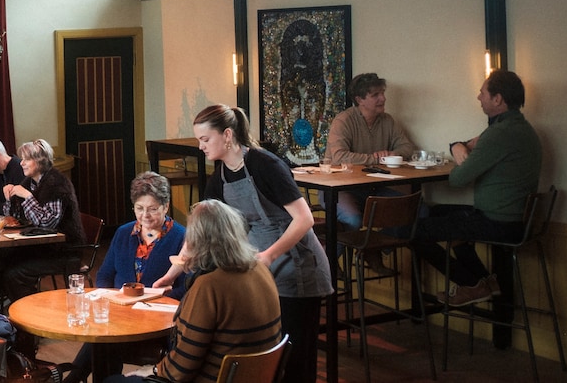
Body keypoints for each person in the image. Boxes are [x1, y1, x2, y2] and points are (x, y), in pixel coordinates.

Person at [193, 104, 331, 383]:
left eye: (205, 140)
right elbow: (202, 225)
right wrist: (178, 267)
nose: (200, 147)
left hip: (298, 268)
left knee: (296, 361)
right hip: (262, 273)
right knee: (269, 357)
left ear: (228, 135)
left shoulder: (265, 164)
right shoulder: (219, 176)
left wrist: (269, 255)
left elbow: (305, 219)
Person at [107, 200, 282, 383]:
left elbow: (183, 366)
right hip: (255, 376)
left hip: (217, 378)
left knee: (114, 381)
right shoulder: (260, 269)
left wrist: (153, 369)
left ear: (197, 240)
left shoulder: (210, 285)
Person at [412, 70, 541, 307]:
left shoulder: (499, 134)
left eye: (483, 93)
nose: (478, 97)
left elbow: (458, 179)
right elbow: (472, 150)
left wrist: (459, 151)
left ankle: (471, 284)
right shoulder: (522, 129)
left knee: (414, 231)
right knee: (438, 212)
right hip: (516, 219)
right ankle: (485, 282)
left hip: (499, 223)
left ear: (498, 99)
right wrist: (460, 146)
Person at [66, 172, 188, 382]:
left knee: (102, 339)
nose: (145, 216)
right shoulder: (124, 233)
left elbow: (185, 290)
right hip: (120, 316)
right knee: (100, 336)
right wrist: (116, 298)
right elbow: (104, 276)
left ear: (166, 207)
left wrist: (150, 299)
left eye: (152, 209)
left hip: (157, 324)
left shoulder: (182, 238)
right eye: (139, 209)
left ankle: (74, 379)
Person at [324, 72, 416, 271]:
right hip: (339, 188)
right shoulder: (344, 120)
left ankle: (372, 248)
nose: (383, 98)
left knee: (417, 209)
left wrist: (392, 153)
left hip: (372, 188)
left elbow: (407, 148)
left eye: (382, 93)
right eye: (375, 95)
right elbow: (339, 157)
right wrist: (375, 158)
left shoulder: (388, 121)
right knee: (353, 219)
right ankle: (326, 265)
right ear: (359, 100)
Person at [0, 139, 86, 304]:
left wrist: (27, 197)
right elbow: (13, 218)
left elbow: (47, 223)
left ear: (40, 161)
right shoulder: (30, 183)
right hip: (41, 246)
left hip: (64, 250)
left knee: (15, 273)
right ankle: (15, 306)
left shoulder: (57, 184)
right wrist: (9, 199)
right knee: (0, 261)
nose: (22, 163)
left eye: (26, 159)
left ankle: (31, 309)